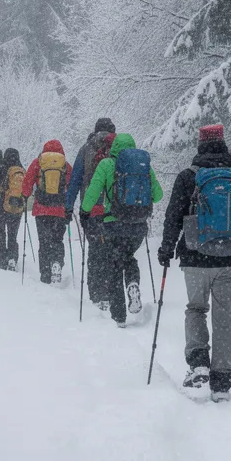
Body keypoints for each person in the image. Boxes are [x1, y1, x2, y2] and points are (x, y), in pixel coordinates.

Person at [157, 124, 231, 402]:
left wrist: (166, 248)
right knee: (223, 316)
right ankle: (221, 379)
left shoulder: (187, 178)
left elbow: (172, 216)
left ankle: (198, 364)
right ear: (223, 143)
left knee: (196, 309)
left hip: (195, 257)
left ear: (199, 145)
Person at [80, 132, 163, 328]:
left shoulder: (107, 164)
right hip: (138, 227)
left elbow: (93, 192)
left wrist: (84, 211)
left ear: (114, 147)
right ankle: (133, 283)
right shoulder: (143, 166)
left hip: (113, 224)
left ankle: (119, 317)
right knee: (129, 257)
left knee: (114, 266)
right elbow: (158, 195)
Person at [65, 118, 118, 310]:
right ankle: (111, 292)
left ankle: (96, 294)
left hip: (91, 210)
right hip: (115, 211)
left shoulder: (86, 149)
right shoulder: (118, 149)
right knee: (112, 251)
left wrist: (69, 206)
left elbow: (75, 180)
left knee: (96, 251)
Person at [22, 140, 72, 283]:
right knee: (57, 240)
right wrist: (69, 206)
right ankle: (57, 262)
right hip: (60, 210)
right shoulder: (65, 165)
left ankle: (45, 275)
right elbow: (72, 184)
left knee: (44, 243)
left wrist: (25, 196)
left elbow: (27, 183)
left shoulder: (38, 162)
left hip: (41, 210)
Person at [0, 148, 25, 270]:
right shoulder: (21, 171)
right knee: (12, 235)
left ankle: (1, 261)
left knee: (1, 234)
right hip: (16, 209)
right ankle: (12, 258)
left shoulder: (0, 169)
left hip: (1, 207)